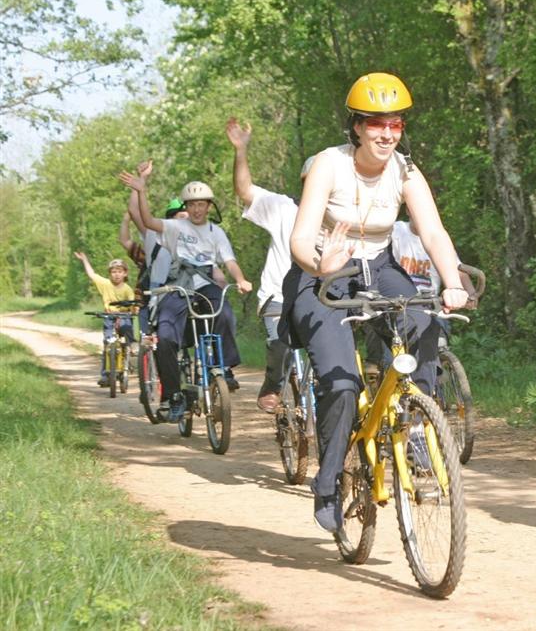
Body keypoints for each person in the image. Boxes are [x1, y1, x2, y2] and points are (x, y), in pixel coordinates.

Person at [282, 72, 467, 532]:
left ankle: (416, 426)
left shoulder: (405, 170)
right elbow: (301, 238)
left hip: (379, 267)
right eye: (376, 124)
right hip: (323, 272)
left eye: (396, 125)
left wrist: (452, 278)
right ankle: (327, 482)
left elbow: (432, 231)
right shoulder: (329, 164)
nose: (387, 134)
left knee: (424, 320)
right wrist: (322, 263)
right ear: (357, 127)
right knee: (341, 385)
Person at [120, 161, 253, 422]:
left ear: (209, 206)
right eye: (191, 205)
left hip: (204, 284)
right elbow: (145, 219)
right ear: (185, 207)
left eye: (201, 204)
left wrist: (241, 279)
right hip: (176, 287)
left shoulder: (216, 232)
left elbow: (228, 261)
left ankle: (223, 367)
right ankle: (174, 395)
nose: (196, 209)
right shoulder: (175, 227)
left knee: (224, 312)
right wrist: (141, 188)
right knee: (166, 337)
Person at [226, 117, 304, 413]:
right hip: (279, 295)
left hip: (321, 297)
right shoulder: (285, 207)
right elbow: (245, 190)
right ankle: (273, 386)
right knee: (280, 344)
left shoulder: (340, 213)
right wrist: (240, 150)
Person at [73, 251, 135, 387]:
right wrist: (84, 259)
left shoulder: (127, 289)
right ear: (109, 274)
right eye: (113, 271)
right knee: (108, 345)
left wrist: (133, 311)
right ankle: (106, 375)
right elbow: (92, 274)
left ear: (125, 274)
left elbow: (132, 305)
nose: (116, 274)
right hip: (109, 317)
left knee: (126, 332)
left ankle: (128, 351)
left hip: (124, 317)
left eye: (119, 271)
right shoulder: (105, 284)